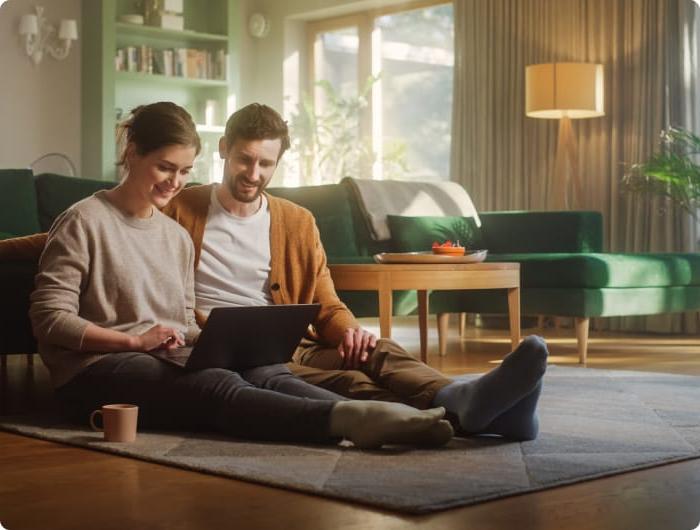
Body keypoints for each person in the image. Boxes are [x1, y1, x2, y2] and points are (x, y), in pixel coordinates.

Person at [27, 101, 455, 449]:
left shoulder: (175, 236)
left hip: (158, 356)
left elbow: (180, 317)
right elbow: (50, 320)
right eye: (164, 167)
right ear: (133, 152)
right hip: (95, 369)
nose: (174, 182)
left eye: (184, 171)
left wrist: (218, 340)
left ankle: (392, 417)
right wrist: (135, 341)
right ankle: (346, 420)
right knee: (216, 382)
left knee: (265, 371)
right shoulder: (83, 220)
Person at [162, 103, 549, 441]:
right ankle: (476, 412)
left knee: (377, 350)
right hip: (223, 351)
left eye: (266, 163)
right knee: (352, 384)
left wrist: (348, 332)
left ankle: (462, 400)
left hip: (291, 345)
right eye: (245, 159)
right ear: (224, 149)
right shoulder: (179, 209)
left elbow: (325, 300)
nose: (253, 173)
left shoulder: (297, 221)